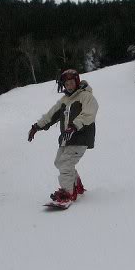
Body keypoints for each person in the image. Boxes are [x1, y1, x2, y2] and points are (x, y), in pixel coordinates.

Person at [28, 68, 98, 206]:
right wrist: (37, 126)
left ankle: (68, 193)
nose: (69, 86)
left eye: (72, 82)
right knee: (60, 162)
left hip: (80, 137)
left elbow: (89, 114)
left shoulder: (86, 96)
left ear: (77, 82)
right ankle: (76, 185)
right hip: (67, 139)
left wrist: (74, 126)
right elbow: (51, 115)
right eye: (67, 84)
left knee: (66, 164)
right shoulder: (65, 100)